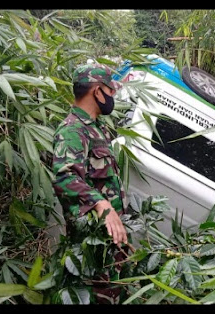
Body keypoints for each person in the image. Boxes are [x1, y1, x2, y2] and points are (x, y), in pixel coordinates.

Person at [51, 63, 129, 304]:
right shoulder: (73, 129)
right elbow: (65, 177)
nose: (112, 97)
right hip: (91, 245)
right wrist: (102, 205)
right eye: (111, 91)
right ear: (97, 91)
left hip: (109, 243)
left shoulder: (96, 128)